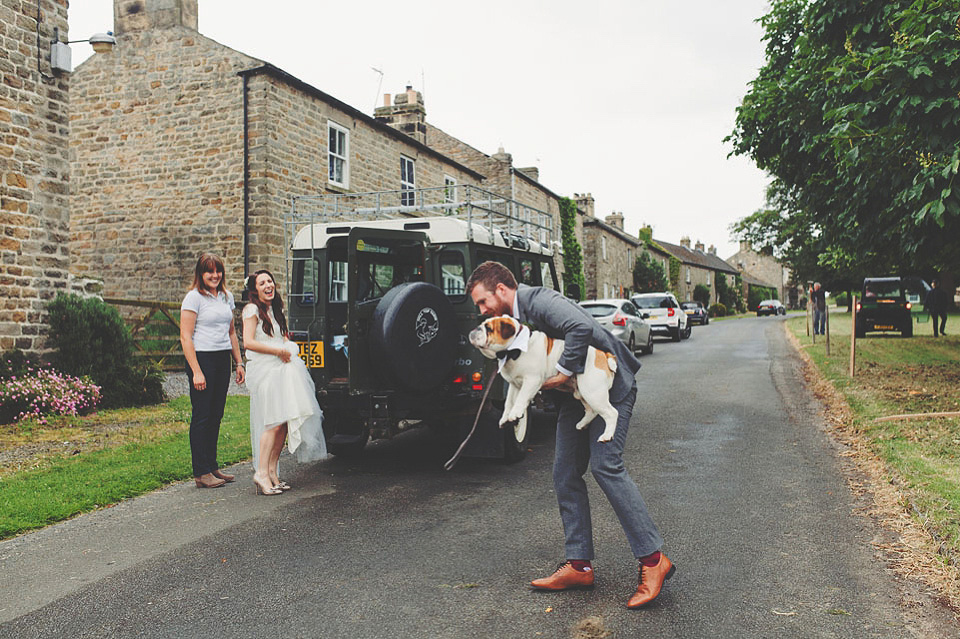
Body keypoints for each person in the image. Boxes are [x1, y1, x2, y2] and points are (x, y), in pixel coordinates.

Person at [466, 261, 673, 610]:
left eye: (483, 302)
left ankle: (654, 562)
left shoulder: (540, 301)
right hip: (573, 397)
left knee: (606, 466)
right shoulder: (510, 325)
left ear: (501, 290)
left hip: (608, 385)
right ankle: (579, 565)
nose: (482, 311)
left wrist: (561, 373)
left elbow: (579, 326)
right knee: (564, 472)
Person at [242, 269, 328, 495]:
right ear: (254, 290)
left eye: (270, 281)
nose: (268, 285)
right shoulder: (252, 310)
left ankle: (272, 472)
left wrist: (286, 345)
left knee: (283, 422)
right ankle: (260, 472)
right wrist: (278, 350)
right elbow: (248, 343)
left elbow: (280, 337)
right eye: (262, 283)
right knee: (272, 421)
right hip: (264, 370)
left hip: (280, 369)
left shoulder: (275, 310)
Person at [180, 252, 245, 488]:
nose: (214, 275)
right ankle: (201, 472)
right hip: (202, 359)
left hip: (221, 359)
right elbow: (186, 337)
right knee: (202, 415)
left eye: (218, 271)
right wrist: (196, 371)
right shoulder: (193, 298)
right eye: (209, 271)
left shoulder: (226, 297)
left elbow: (231, 333)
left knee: (216, 414)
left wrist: (238, 363)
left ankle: (212, 466)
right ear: (201, 273)